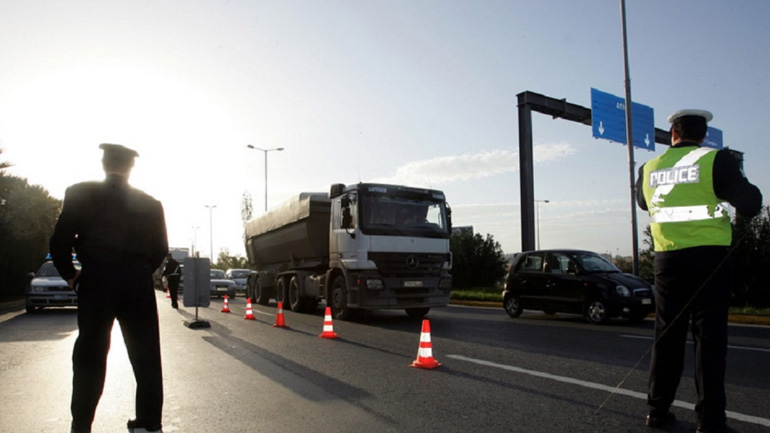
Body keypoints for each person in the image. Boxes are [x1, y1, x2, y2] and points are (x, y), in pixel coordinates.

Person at [636, 110, 762, 433]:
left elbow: (642, 203)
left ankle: (657, 410)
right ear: (703, 135)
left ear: (673, 134)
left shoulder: (648, 169)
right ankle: (710, 421)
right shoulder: (714, 160)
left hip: (667, 261)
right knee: (709, 339)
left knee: (667, 336)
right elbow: (750, 203)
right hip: (710, 261)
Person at [50, 143, 168, 433]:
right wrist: (139, 272)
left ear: (103, 164)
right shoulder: (151, 204)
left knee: (90, 353)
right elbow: (161, 249)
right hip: (137, 281)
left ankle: (81, 425)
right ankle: (149, 423)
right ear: (131, 168)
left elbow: (59, 241)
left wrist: (72, 275)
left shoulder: (79, 193)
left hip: (97, 279)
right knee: (146, 354)